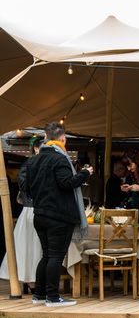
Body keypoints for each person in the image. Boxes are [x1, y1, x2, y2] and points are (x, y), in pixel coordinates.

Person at [24, 123, 93, 307]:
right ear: (63, 139)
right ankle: (53, 297)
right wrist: (85, 174)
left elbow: (27, 188)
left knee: (46, 255)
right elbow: (66, 183)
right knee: (55, 256)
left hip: (39, 214)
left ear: (46, 138)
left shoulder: (33, 160)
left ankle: (39, 295)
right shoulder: (60, 159)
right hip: (59, 216)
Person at [0, 136, 44, 292]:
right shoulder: (28, 165)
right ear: (37, 149)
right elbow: (25, 187)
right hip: (31, 210)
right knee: (29, 247)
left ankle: (35, 281)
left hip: (39, 209)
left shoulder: (39, 164)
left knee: (37, 247)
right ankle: (31, 281)